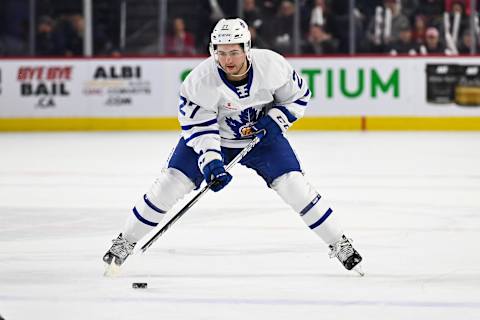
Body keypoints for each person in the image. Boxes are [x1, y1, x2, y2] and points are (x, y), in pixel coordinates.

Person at [103, 18, 363, 276]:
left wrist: (277, 120)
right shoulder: (199, 81)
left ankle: (338, 242)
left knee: (295, 187)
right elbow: (200, 128)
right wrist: (211, 162)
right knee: (168, 185)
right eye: (222, 52)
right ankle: (125, 240)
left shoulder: (272, 65)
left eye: (234, 52)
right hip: (214, 139)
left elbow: (298, 97)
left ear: (247, 49)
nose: (228, 60)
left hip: (262, 139)